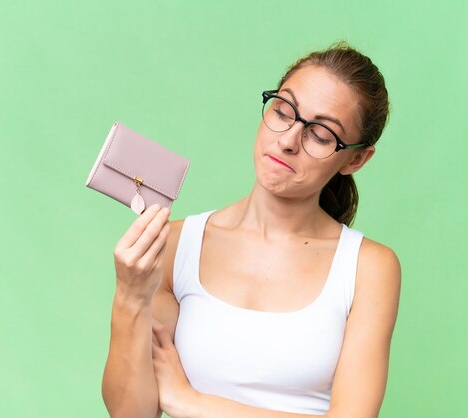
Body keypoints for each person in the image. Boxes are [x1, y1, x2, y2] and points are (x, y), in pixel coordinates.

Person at [102, 41, 401, 418]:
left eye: (321, 135)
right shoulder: (179, 245)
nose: (289, 140)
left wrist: (191, 402)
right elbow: (131, 414)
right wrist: (129, 296)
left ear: (355, 159)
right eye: (284, 111)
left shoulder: (368, 267)